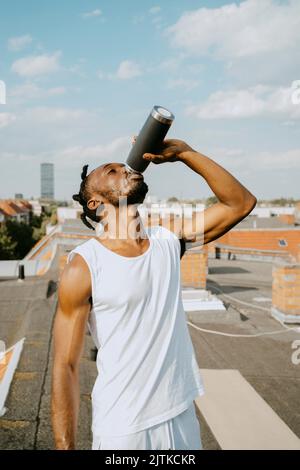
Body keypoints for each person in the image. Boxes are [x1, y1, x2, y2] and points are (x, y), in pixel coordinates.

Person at [51, 137, 256, 450]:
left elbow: (240, 203)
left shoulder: (168, 241)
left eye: (124, 167)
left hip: (181, 414)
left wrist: (186, 154)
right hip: (124, 428)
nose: (126, 169)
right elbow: (65, 366)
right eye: (112, 171)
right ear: (95, 203)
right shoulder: (84, 264)